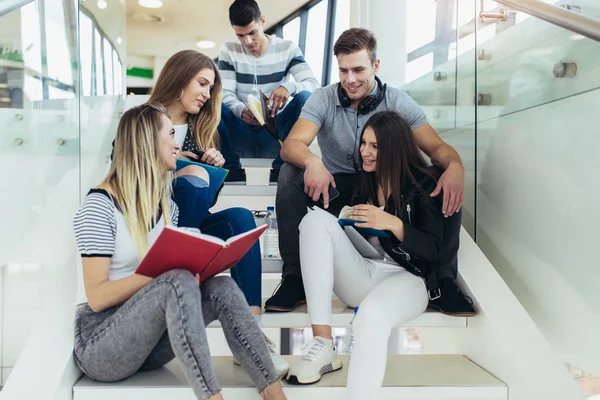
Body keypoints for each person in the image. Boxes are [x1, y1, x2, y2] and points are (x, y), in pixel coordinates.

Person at [73, 103, 287, 400]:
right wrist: (160, 274)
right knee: (176, 279)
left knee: (221, 285)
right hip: (101, 346)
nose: (177, 144)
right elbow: (96, 297)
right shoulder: (99, 206)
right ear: (148, 143)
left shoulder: (166, 207)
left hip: (149, 347)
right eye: (171, 135)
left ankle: (275, 393)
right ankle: (212, 397)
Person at [266, 28, 471, 316]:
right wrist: (314, 162)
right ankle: (294, 279)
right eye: (343, 70)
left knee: (442, 176)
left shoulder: (398, 102)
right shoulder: (323, 99)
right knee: (290, 172)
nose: (350, 79)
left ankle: (444, 280)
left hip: (386, 188)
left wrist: (456, 166)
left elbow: (437, 148)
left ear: (376, 66)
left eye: (358, 69)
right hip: (338, 188)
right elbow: (291, 145)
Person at [286, 111, 459, 397]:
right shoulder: (361, 182)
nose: (365, 152)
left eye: (374, 146)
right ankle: (322, 342)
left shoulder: (424, 184)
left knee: (371, 317)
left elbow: (436, 252)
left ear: (395, 148)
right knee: (315, 220)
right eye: (363, 143)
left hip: (408, 279)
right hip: (364, 271)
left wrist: (392, 223)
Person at [147, 49, 289, 376]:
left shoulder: (209, 127)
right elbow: (125, 172)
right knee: (192, 179)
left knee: (240, 219)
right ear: (179, 78)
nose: (206, 94)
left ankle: (250, 332)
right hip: (155, 225)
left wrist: (213, 168)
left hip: (190, 225)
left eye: (211, 88)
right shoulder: (144, 119)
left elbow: (208, 199)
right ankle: (183, 276)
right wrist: (172, 166)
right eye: (202, 84)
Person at [217, 0, 319, 185]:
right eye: (240, 35)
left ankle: (282, 167)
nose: (247, 41)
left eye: (252, 33)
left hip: (277, 134)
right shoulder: (228, 50)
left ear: (262, 21)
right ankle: (231, 168)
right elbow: (225, 94)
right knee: (213, 101)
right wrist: (241, 110)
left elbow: (313, 84)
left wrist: (289, 87)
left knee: (305, 98)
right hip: (241, 131)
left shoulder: (287, 48)